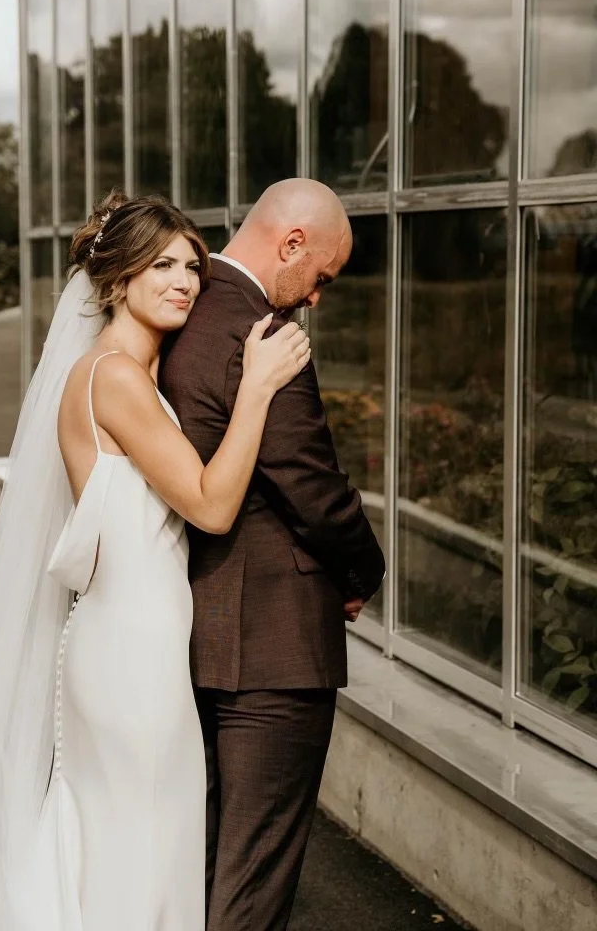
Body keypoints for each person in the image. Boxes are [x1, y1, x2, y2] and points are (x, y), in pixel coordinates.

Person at [0, 191, 311, 931]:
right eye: (162, 266)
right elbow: (211, 506)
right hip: (131, 657)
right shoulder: (115, 377)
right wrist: (258, 387)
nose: (184, 282)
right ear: (119, 277)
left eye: (192, 267)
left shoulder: (129, 372)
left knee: (121, 852)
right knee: (142, 854)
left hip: (129, 644)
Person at [161, 177, 386, 931]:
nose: (316, 298)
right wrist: (365, 573)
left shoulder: (180, 311)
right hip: (277, 648)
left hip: (193, 627)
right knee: (254, 877)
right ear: (291, 243)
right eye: (321, 277)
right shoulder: (262, 333)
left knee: (200, 863)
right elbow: (310, 483)